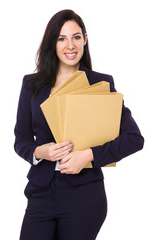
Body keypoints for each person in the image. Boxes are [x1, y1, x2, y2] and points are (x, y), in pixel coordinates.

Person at [14, 9, 144, 240]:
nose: (70, 45)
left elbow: (133, 138)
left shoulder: (101, 84)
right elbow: (21, 139)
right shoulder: (31, 85)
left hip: (84, 196)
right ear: (52, 42)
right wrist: (39, 151)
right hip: (41, 192)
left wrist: (89, 156)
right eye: (61, 38)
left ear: (85, 39)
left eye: (76, 37)